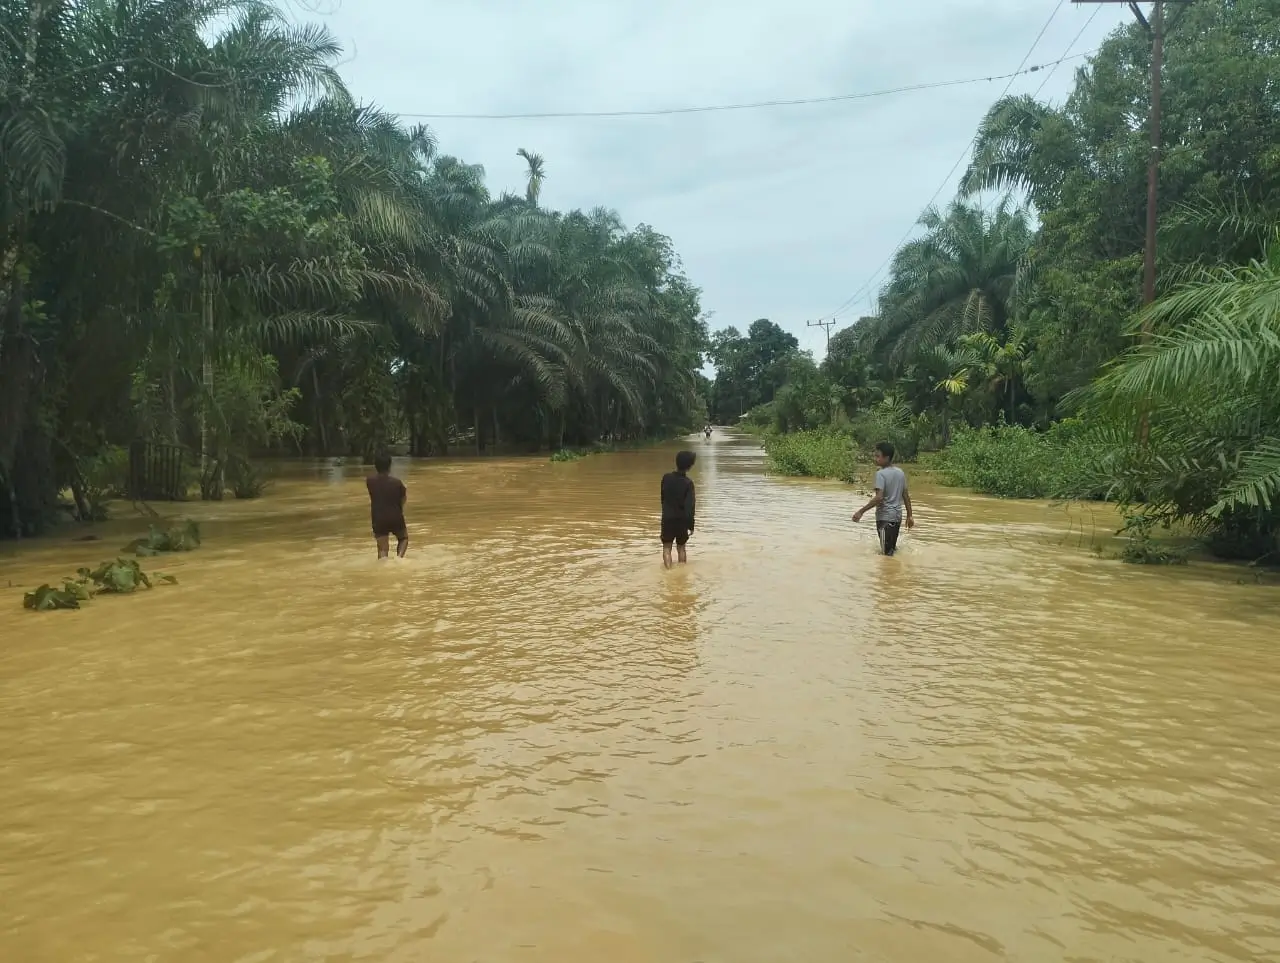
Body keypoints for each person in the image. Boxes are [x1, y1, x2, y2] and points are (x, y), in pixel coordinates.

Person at [852, 441, 913, 556]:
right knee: (891, 550)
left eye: (878, 456)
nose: (875, 459)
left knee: (886, 555)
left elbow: (879, 498)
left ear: (887, 458)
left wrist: (861, 511)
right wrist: (910, 516)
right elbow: (905, 495)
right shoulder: (900, 473)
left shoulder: (880, 474)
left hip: (884, 518)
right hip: (897, 517)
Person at [366, 452, 408, 559]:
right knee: (403, 538)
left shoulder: (370, 481)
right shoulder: (397, 483)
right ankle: (399, 559)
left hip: (378, 518)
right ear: (390, 466)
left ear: (375, 466)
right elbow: (403, 499)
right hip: (395, 516)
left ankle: (383, 564)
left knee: (382, 549)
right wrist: (399, 509)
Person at [660, 449, 697, 567]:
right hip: (681, 520)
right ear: (689, 467)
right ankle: (681, 573)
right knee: (681, 548)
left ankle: (668, 571)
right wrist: (691, 525)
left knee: (667, 548)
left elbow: (663, 498)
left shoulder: (666, 478)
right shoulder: (688, 483)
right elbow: (690, 507)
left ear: (676, 462)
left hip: (667, 518)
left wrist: (665, 513)